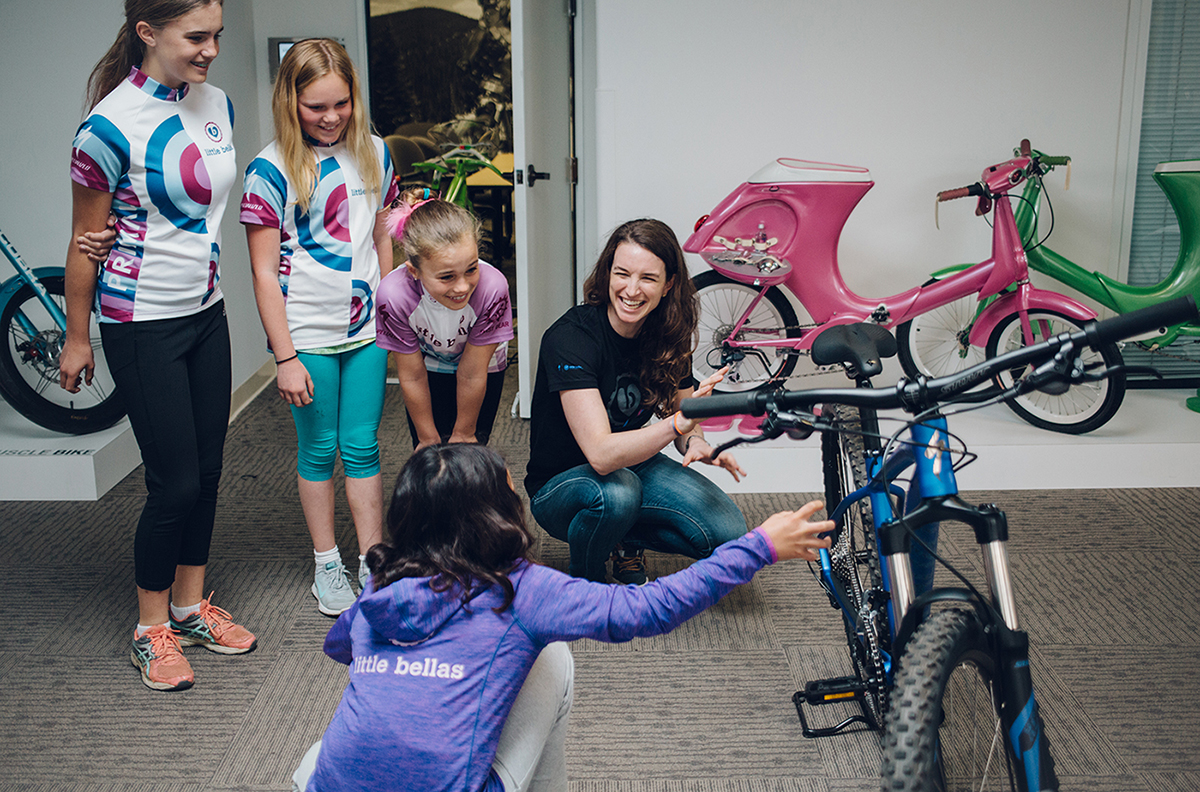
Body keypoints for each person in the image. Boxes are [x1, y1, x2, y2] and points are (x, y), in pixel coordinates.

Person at [290, 443, 833, 792]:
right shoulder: (519, 590)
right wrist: (758, 546)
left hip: (332, 784)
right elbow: (647, 608)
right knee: (552, 656)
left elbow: (340, 647)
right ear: (494, 514)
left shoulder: (380, 581)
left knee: (325, 751)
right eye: (507, 486)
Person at [59, 0, 255, 692]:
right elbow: (84, 241)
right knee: (171, 482)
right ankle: (150, 632)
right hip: (140, 322)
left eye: (216, 36)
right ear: (148, 33)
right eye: (196, 37)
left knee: (206, 470)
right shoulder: (107, 128)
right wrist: (76, 336)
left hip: (207, 311)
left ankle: (189, 606)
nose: (210, 50)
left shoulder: (217, 106)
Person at [240, 39, 399, 617]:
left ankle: (373, 560)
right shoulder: (270, 169)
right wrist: (284, 357)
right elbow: (261, 273)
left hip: (366, 331)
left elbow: (382, 238)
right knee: (320, 449)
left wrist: (395, 312)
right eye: (316, 107)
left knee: (362, 446)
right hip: (305, 334)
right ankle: (327, 563)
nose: (331, 117)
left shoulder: (377, 153)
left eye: (341, 103)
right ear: (291, 102)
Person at [524, 218, 747, 585]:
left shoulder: (669, 333)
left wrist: (698, 444)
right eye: (622, 274)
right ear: (607, 274)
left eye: (647, 278)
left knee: (728, 533)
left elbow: (683, 416)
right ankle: (586, 586)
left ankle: (622, 537)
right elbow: (601, 454)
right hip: (561, 484)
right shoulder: (570, 338)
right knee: (618, 493)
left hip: (633, 465)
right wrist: (679, 424)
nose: (631, 289)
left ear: (668, 284)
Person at [375, 188, 513, 449]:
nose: (462, 287)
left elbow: (472, 374)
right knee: (431, 450)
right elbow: (412, 376)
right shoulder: (393, 296)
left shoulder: (493, 288)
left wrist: (465, 434)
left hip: (482, 365)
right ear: (414, 271)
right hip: (429, 361)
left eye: (471, 269)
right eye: (447, 277)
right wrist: (426, 439)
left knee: (470, 450)